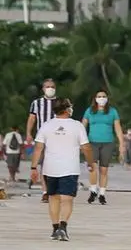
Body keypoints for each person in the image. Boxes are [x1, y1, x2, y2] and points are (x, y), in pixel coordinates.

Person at [30, 98, 94, 241]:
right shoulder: (77, 126)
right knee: (67, 199)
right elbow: (86, 147)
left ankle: (55, 229)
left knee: (53, 198)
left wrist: (33, 167)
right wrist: (91, 162)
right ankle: (63, 227)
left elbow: (38, 148)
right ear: (67, 109)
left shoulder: (46, 126)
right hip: (70, 168)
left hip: (49, 168)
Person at [81, 89, 123, 205]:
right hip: (92, 142)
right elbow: (83, 126)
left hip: (107, 142)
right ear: (95, 98)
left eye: (103, 96)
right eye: (99, 96)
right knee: (92, 167)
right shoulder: (89, 111)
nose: (101, 98)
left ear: (107, 98)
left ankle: (102, 193)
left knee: (104, 169)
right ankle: (93, 190)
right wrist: (81, 141)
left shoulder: (112, 112)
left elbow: (118, 128)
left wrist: (121, 145)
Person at [26, 77, 55, 201]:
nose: (50, 89)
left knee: (56, 163)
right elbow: (32, 119)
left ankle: (54, 189)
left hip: (57, 137)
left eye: (52, 87)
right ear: (43, 89)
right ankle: (45, 191)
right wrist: (28, 133)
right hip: (41, 136)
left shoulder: (60, 102)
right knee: (44, 163)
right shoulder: (36, 103)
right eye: (47, 87)